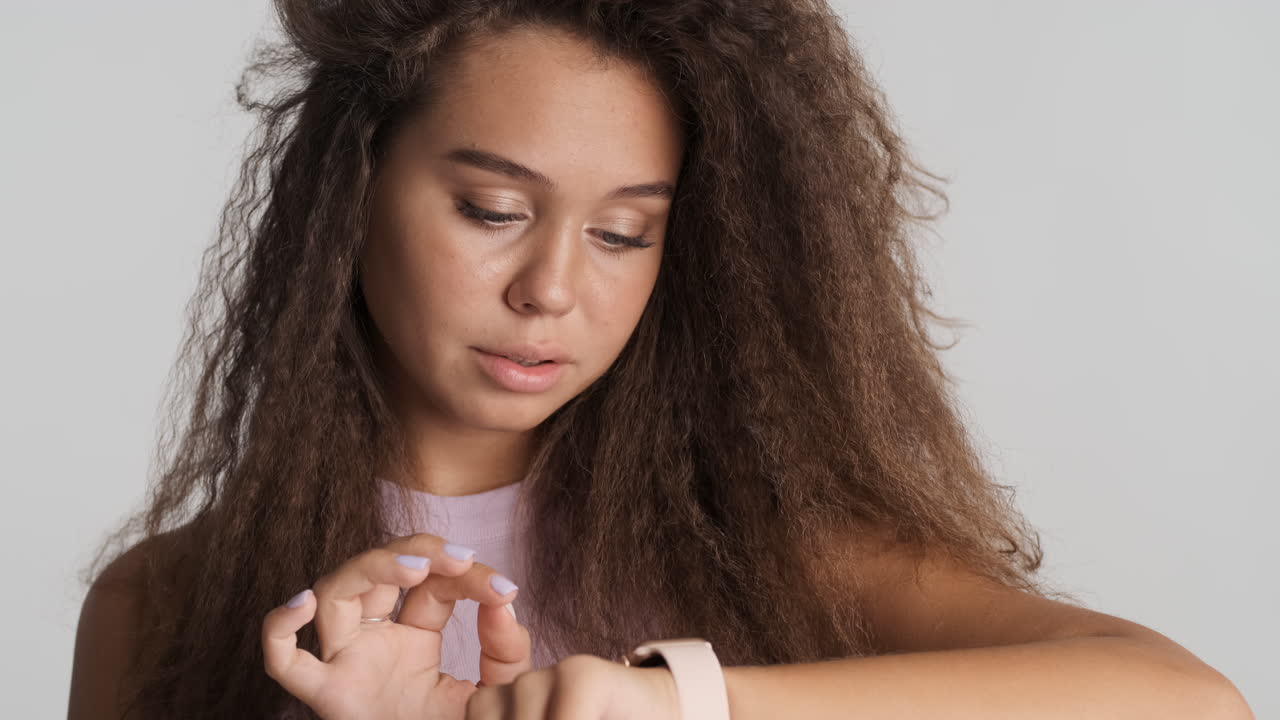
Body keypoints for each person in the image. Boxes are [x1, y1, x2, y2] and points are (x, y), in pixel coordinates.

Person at [67, 0, 1254, 718]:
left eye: (624, 233)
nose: (550, 290)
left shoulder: (758, 551)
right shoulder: (166, 605)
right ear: (354, 189)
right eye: (490, 209)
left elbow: (1181, 703)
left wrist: (662, 701)